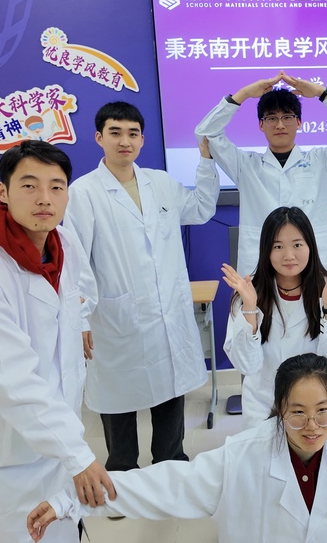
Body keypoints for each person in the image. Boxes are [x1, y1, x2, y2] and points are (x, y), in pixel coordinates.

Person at [27, 353, 327, 542]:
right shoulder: (245, 455)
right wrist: (72, 501)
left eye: (323, 411)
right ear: (278, 410)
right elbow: (168, 483)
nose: (312, 425)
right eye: (297, 412)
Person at [0, 140, 115, 543]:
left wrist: (71, 448)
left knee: (67, 530)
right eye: (29, 185)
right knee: (30, 536)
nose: (44, 198)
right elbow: (15, 382)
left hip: (59, 432)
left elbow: (70, 312)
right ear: (3, 192)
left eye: (56, 187)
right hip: (12, 457)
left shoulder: (63, 243)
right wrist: (78, 456)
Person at [64, 101, 219, 473]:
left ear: (142, 139)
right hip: (115, 318)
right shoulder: (83, 192)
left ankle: (171, 465)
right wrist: (80, 318)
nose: (125, 141)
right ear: (99, 137)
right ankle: (122, 473)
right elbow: (75, 261)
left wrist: (206, 161)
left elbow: (200, 209)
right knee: (117, 399)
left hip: (166, 314)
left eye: (132, 133)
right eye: (115, 133)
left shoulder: (160, 183)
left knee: (170, 389)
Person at [195, 70, 327, 277]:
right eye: (271, 118)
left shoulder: (323, 161)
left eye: (287, 117)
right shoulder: (245, 166)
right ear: (261, 124)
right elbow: (206, 133)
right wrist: (244, 94)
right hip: (262, 267)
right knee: (257, 299)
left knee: (323, 298)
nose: (279, 125)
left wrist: (322, 93)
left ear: (299, 122)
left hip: (316, 266)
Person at [220, 206, 327, 428]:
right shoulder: (248, 293)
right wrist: (250, 308)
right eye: (278, 246)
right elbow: (247, 366)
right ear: (266, 250)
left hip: (320, 405)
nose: (289, 255)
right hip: (265, 404)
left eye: (297, 245)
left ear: (310, 246)